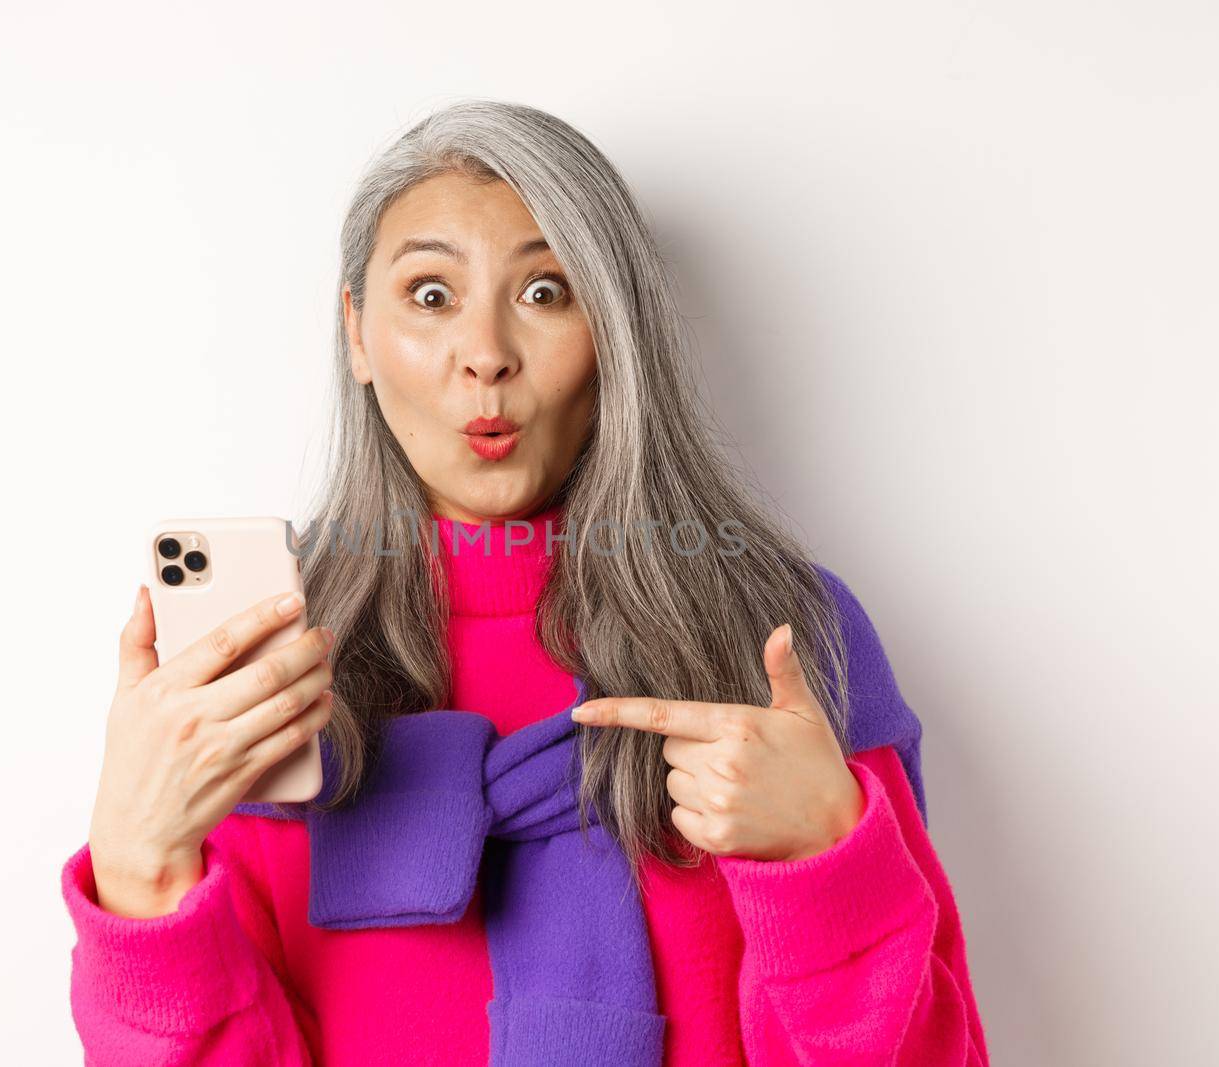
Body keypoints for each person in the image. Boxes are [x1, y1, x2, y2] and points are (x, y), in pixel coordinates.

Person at [60, 98, 989, 1065]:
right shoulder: (262, 668)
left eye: (546, 292)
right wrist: (138, 870)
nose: (487, 356)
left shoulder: (782, 640)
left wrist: (825, 858)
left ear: (614, 333)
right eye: (429, 295)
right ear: (357, 334)